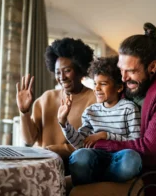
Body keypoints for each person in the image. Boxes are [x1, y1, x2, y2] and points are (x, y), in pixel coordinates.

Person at [91, 23, 156, 196]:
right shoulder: (128, 87)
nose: (123, 78)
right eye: (121, 70)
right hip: (121, 164)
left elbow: (151, 151)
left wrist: (101, 144)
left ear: (152, 67)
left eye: (131, 71)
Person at [57, 56, 142, 185]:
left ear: (119, 88)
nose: (96, 88)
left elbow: (136, 142)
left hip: (119, 158)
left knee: (132, 158)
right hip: (95, 158)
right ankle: (98, 179)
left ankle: (99, 179)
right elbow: (80, 144)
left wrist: (105, 135)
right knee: (80, 155)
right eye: (95, 83)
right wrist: (64, 122)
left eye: (103, 84)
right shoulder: (90, 112)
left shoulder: (129, 108)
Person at [16, 37, 96, 170]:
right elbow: (29, 140)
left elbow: (89, 146)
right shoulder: (46, 98)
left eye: (67, 70)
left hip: (72, 167)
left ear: (80, 70)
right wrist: (24, 112)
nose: (62, 77)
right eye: (58, 72)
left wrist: (51, 150)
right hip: (40, 164)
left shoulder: (94, 99)